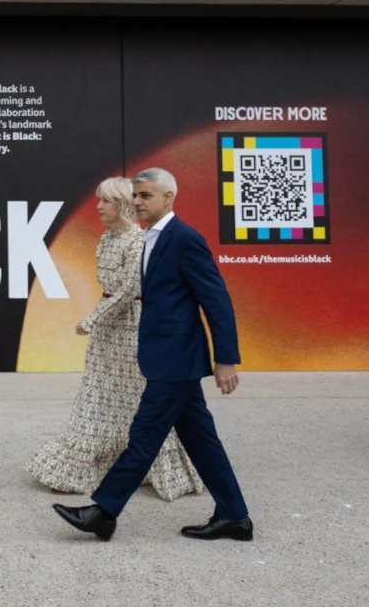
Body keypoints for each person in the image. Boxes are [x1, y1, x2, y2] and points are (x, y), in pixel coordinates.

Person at [53, 168, 253, 542]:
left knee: (144, 435)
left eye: (146, 196)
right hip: (163, 355)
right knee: (201, 441)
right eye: (135, 196)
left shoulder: (184, 239)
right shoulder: (145, 239)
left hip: (176, 359)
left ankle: (104, 511)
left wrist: (225, 358)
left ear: (168, 198)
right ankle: (235, 516)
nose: (138, 202)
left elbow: (216, 300)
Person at [27, 176, 203, 501]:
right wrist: (99, 320)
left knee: (136, 398)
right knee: (98, 396)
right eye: (97, 200)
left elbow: (128, 290)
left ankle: (146, 466)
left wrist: (92, 319)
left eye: (105, 201)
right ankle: (91, 467)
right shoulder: (109, 238)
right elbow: (112, 290)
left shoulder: (137, 241)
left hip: (133, 328)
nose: (98, 207)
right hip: (108, 330)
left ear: (121, 204)